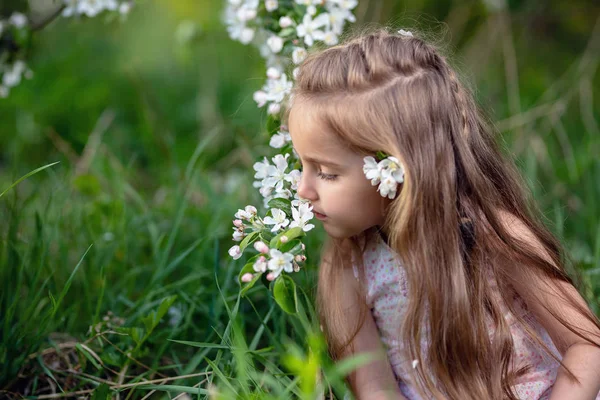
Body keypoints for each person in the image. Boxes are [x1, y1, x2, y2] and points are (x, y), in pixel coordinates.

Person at [282, 27, 600, 400]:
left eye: (326, 173)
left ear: (399, 171)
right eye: (302, 165)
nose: (302, 190)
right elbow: (376, 388)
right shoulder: (350, 265)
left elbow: (587, 348)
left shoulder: (495, 236)